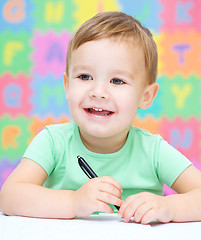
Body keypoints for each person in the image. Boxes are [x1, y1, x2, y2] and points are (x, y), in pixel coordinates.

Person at [1, 11, 201, 225]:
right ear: (67, 86)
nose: (98, 92)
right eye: (85, 77)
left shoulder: (154, 151)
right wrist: (73, 201)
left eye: (117, 80)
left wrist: (169, 207)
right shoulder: (52, 142)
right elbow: (9, 197)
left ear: (146, 96)